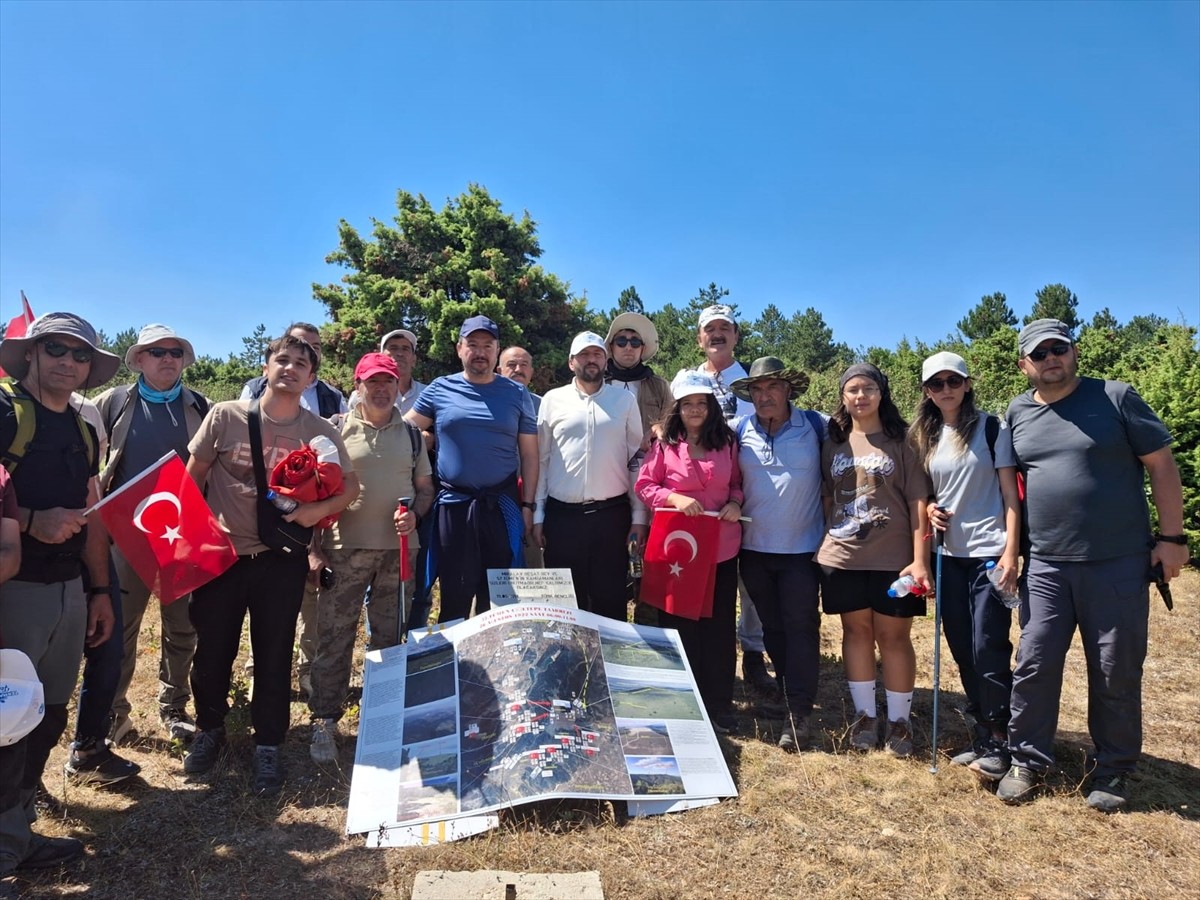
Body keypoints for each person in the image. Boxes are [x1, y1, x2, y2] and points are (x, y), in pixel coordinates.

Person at [986, 320, 1187, 811]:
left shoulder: (1116, 398)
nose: (1050, 358)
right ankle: (1027, 760)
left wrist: (1172, 539)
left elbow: (1162, 466)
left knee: (1115, 668)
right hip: (1048, 565)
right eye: (1040, 353)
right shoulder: (1017, 412)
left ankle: (1114, 770)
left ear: (1073, 353)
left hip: (1116, 562)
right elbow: (1010, 487)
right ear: (1024, 364)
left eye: (1059, 348)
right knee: (1033, 664)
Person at [184, 333, 359, 796]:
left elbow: (349, 488)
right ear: (265, 367)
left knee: (274, 653)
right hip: (221, 557)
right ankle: (209, 731)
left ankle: (269, 744)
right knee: (213, 651)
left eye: (302, 364)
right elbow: (190, 480)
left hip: (280, 560)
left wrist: (312, 515)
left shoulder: (319, 430)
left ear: (312, 378)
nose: (291, 368)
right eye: (282, 359)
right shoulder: (226, 416)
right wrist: (193, 542)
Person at [0, 312, 118, 872]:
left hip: (68, 590)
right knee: (3, 721)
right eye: (55, 350)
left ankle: (17, 834)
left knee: (45, 717)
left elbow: (93, 514)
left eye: (79, 355)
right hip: (12, 590)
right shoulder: (4, 414)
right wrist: (30, 519)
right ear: (31, 353)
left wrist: (98, 590)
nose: (67, 362)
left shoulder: (82, 427)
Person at [308, 353, 433, 763]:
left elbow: (425, 488)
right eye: (372, 381)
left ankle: (381, 717)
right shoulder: (334, 430)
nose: (381, 389)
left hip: (398, 554)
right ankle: (325, 720)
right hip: (344, 550)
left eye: (389, 381)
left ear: (399, 385)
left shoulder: (412, 435)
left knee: (388, 639)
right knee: (334, 636)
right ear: (357, 385)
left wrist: (414, 514)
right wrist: (313, 550)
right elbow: (315, 493)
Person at [94, 324, 209, 746]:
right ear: (139, 359)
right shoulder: (112, 403)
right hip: (127, 535)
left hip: (183, 533)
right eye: (157, 351)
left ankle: (174, 707)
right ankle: (112, 713)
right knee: (120, 628)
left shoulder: (201, 406)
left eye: (175, 352)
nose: (167, 358)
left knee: (182, 627)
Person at [908, 352, 1021, 771]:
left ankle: (1001, 739)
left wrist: (1011, 551)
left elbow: (1011, 495)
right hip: (947, 555)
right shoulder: (927, 435)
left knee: (987, 644)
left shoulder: (992, 428)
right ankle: (982, 731)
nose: (945, 390)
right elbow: (928, 494)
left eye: (953, 381)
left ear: (967, 384)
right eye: (935, 384)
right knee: (960, 645)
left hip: (989, 555)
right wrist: (933, 509)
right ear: (926, 391)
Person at [816, 363, 931, 758]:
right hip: (843, 557)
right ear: (843, 397)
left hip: (895, 561)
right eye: (852, 390)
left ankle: (900, 721)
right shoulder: (833, 441)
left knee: (894, 637)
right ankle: (865, 718)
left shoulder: (904, 441)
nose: (860, 396)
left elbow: (919, 502)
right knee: (856, 633)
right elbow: (828, 496)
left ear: (882, 393)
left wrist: (920, 559)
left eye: (868, 388)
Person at [406, 316, 538, 621]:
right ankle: (452, 664)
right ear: (459, 348)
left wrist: (528, 505)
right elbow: (405, 430)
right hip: (453, 505)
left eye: (487, 346)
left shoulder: (516, 394)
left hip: (502, 506)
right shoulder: (440, 388)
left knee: (502, 599)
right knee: (454, 593)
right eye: (472, 345)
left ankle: (497, 665)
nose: (480, 352)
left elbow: (530, 455)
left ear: (496, 351)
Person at [241, 322, 346, 698]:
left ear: (314, 364)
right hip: (262, 517)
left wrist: (317, 524)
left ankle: (305, 671)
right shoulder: (254, 392)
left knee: (310, 603)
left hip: (313, 516)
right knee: (265, 606)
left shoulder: (334, 399)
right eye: (290, 351)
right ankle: (258, 674)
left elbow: (338, 475)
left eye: (310, 350)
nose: (299, 357)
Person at [636, 370, 743, 733]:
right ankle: (685, 698)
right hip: (679, 552)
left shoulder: (727, 440)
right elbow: (645, 485)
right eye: (688, 404)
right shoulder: (665, 443)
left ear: (711, 406)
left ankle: (719, 703)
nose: (695, 410)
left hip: (720, 549)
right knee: (680, 624)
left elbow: (738, 485)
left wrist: (734, 503)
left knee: (718, 627)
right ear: (677, 408)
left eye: (702, 403)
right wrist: (673, 496)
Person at [729, 358, 825, 751]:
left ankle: (800, 710)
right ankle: (788, 697)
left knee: (801, 626)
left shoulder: (817, 426)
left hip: (803, 549)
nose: (764, 396)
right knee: (772, 627)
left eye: (772, 388)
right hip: (753, 549)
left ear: (789, 390)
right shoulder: (738, 430)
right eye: (756, 390)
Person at [692, 305, 774, 697]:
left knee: (749, 580)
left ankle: (753, 655)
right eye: (710, 329)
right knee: (710, 580)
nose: (717, 334)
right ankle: (706, 654)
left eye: (725, 328)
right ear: (700, 338)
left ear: (737, 336)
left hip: (748, 488)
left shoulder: (752, 380)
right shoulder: (686, 378)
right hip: (700, 498)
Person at [533, 332, 644, 621]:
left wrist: (639, 517)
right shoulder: (552, 400)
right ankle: (572, 666)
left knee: (611, 600)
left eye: (596, 354)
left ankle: (611, 665)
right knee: (566, 605)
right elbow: (542, 461)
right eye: (583, 354)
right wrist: (537, 515)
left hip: (611, 516)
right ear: (571, 362)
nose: (591, 359)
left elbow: (636, 461)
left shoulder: (625, 401)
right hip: (562, 518)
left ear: (605, 361)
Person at [347, 328, 426, 415]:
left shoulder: (428, 394)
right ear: (381, 357)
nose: (400, 353)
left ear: (414, 360)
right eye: (393, 348)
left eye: (405, 349)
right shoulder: (361, 395)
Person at [499, 346, 541, 415]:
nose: (518, 370)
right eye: (512, 364)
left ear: (531, 372)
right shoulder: (488, 402)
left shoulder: (543, 405)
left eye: (524, 365)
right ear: (499, 371)